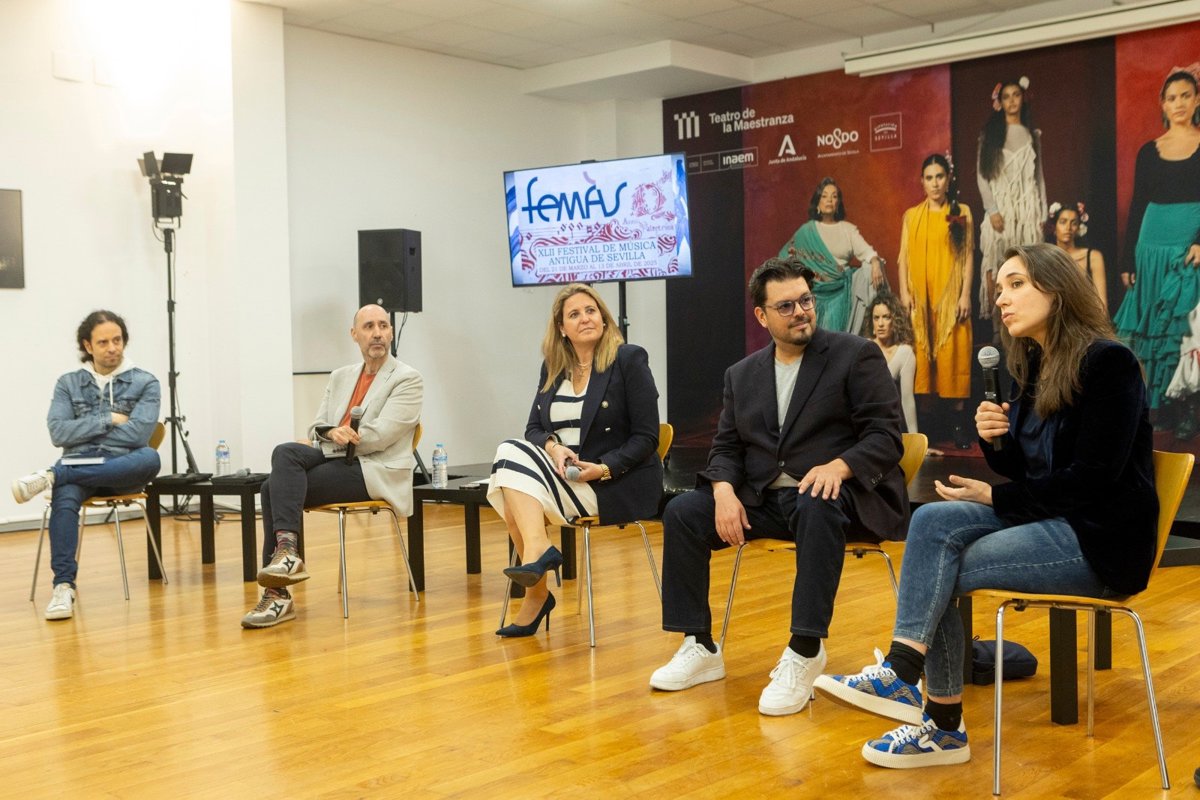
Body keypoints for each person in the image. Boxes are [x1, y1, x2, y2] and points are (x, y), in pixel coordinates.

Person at [815, 243, 1156, 769]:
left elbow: (1093, 479)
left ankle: (940, 721)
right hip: (1051, 517)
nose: (1001, 299)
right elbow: (1030, 470)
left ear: (1057, 289)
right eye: (999, 289)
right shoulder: (1035, 363)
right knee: (932, 521)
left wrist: (995, 496)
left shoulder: (1110, 363)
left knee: (942, 568)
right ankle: (905, 674)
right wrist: (998, 442)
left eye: (1016, 285)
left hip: (1100, 539)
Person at [648, 257, 907, 716]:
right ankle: (699, 645)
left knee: (815, 500)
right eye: (785, 306)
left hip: (842, 499)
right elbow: (727, 448)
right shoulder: (742, 374)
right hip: (766, 499)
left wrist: (839, 467)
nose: (801, 311)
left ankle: (806, 649)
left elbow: (886, 437)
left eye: (805, 300)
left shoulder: (855, 355)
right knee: (683, 512)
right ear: (762, 316)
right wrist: (722, 491)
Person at [487, 283, 662, 637]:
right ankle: (538, 557)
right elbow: (534, 428)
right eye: (574, 314)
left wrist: (603, 468)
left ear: (604, 318)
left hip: (611, 482)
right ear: (562, 328)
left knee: (510, 481)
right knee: (509, 454)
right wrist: (553, 447)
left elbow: (647, 437)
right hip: (563, 476)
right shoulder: (554, 367)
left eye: (591, 310)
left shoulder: (628, 359)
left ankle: (537, 589)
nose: (585, 318)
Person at [241, 304, 422, 628]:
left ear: (392, 333)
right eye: (369, 327)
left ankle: (278, 593)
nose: (377, 333)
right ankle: (287, 554)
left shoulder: (408, 379)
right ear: (354, 335)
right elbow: (317, 425)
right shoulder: (341, 376)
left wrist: (331, 438)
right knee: (284, 453)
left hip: (373, 467)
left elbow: (380, 436)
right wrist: (330, 433)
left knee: (272, 489)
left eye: (383, 326)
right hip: (337, 455)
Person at [13, 310, 161, 620]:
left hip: (123, 468)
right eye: (103, 342)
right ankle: (63, 587)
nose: (112, 348)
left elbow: (139, 434)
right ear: (88, 345)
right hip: (81, 463)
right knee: (65, 498)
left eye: (117, 340)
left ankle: (54, 475)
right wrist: (108, 418)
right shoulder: (68, 383)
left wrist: (83, 430)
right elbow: (58, 433)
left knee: (150, 457)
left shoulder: (146, 382)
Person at [1113, 65, 1200, 435]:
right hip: (1150, 244)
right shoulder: (1148, 151)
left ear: (1197, 100)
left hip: (1189, 241)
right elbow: (1137, 204)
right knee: (1152, 328)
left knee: (1185, 327)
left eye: (1185, 96)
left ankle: (1189, 407)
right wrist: (1128, 259)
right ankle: (1160, 405)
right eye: (1171, 98)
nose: (1178, 103)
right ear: (1163, 105)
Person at [898, 153, 974, 446]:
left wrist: (965, 294)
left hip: (951, 300)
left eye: (939, 177)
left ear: (948, 179)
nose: (934, 183)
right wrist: (905, 293)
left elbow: (967, 256)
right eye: (929, 178)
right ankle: (927, 427)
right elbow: (904, 259)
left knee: (954, 357)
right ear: (922, 181)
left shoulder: (961, 211)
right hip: (921, 302)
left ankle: (958, 426)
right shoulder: (911, 216)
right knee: (923, 362)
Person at [977, 76, 1047, 338]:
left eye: (1016, 95)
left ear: (1023, 98)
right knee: (996, 265)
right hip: (1001, 210)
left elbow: (1039, 176)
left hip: (1026, 211)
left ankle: (1027, 328)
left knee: (1026, 268)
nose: (1012, 101)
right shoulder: (990, 136)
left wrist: (1041, 212)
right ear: (1000, 102)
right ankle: (999, 331)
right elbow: (982, 176)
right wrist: (992, 209)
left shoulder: (1032, 135)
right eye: (1006, 96)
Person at [778, 177, 885, 335]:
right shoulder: (807, 231)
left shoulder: (848, 230)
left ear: (838, 203)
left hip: (841, 294)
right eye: (824, 196)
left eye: (834, 196)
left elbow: (868, 253)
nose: (829, 200)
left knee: (870, 269)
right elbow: (783, 258)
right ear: (818, 202)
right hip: (813, 296)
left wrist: (875, 263)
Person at [859, 292, 917, 437]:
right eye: (876, 318)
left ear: (895, 321)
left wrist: (915, 439)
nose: (880, 324)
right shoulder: (863, 348)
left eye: (886, 317)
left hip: (889, 424)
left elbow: (907, 399)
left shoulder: (905, 352)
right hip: (863, 422)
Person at [1046, 201, 1107, 311]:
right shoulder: (1046, 258)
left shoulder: (1093, 257)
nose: (1068, 228)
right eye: (1063, 222)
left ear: (1079, 228)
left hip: (1085, 317)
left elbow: (1102, 304)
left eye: (1073, 223)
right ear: (1054, 227)